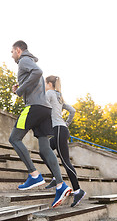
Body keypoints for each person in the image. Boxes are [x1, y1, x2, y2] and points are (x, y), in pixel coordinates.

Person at [9, 40, 71, 208]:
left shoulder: (24, 60)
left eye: (12, 52)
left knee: (14, 139)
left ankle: (34, 175)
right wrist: (21, 86)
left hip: (34, 107)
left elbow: (38, 72)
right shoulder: (28, 61)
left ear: (18, 50)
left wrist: (20, 91)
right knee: (44, 148)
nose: (12, 55)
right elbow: (35, 77)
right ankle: (61, 185)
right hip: (44, 110)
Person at [42, 75, 86, 207]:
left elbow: (41, 105)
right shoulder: (59, 96)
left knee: (65, 161)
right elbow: (72, 111)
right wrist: (66, 123)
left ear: (49, 84)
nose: (44, 85)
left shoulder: (49, 93)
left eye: (45, 83)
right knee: (44, 150)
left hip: (59, 130)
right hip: (61, 129)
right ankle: (56, 177)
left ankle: (78, 190)